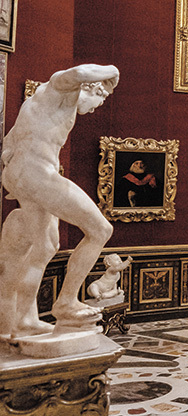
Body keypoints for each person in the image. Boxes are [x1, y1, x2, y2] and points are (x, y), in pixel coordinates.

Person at [0, 64, 119, 339]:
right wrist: (111, 70)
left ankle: (24, 320)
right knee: (101, 230)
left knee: (45, 246)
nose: (95, 109)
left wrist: (16, 176)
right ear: (93, 88)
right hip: (37, 174)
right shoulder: (59, 90)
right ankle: (66, 302)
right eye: (100, 100)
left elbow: (9, 144)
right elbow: (78, 74)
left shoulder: (36, 104)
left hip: (23, 174)